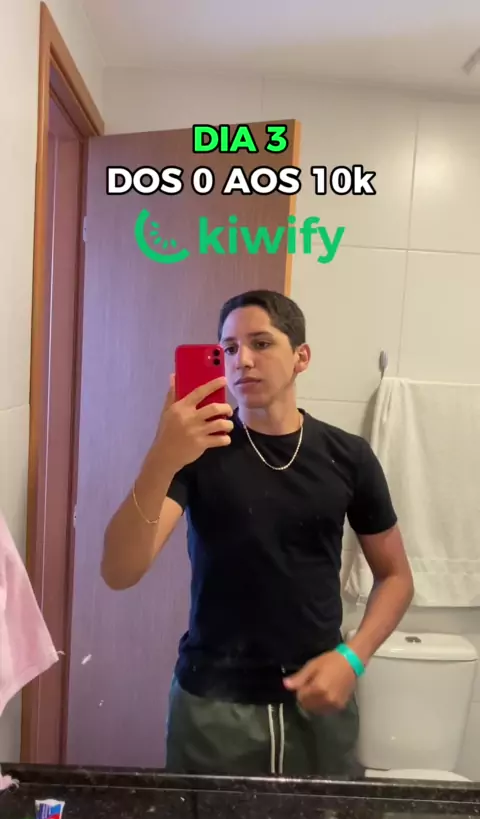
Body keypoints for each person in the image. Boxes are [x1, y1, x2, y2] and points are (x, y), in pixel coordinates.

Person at [101, 289, 414, 778]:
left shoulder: (347, 456)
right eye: (228, 348)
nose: (241, 360)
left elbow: (396, 577)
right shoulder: (197, 453)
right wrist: (162, 456)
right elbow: (119, 571)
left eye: (261, 343)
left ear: (301, 357)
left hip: (318, 700)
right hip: (212, 706)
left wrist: (353, 658)